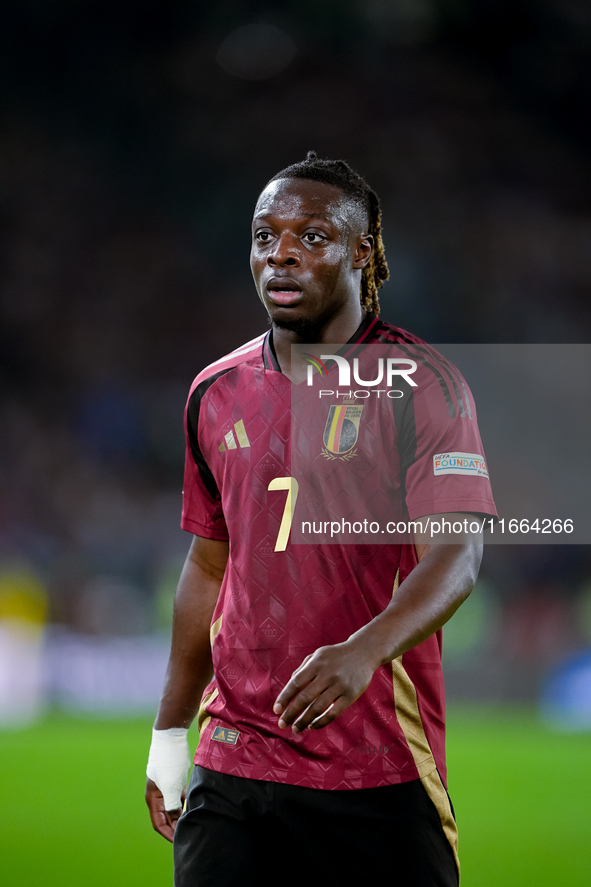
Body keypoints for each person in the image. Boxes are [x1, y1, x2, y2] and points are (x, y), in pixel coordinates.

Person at [145, 152, 497, 887]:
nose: (280, 253)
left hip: (376, 766)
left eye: (311, 236)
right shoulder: (215, 390)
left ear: (361, 252)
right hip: (234, 760)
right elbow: (208, 565)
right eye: (264, 235)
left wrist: (361, 649)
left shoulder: (422, 385)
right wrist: (171, 730)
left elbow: (456, 554)